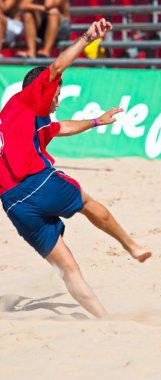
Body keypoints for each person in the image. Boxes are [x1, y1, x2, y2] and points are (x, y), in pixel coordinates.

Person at [0, 18, 152, 318]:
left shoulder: (13, 114)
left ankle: (104, 319)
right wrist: (87, 37)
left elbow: (62, 127)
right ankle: (131, 245)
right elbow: (56, 67)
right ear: (41, 90)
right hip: (38, 183)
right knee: (91, 206)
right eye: (55, 95)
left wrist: (96, 121)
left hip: (13, 204)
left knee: (67, 267)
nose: (56, 100)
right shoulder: (31, 98)